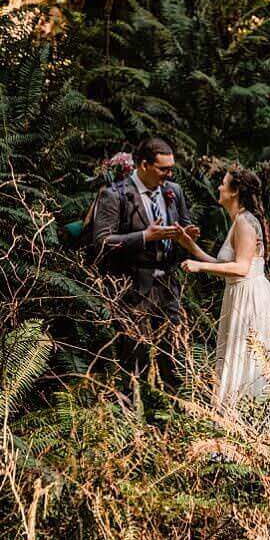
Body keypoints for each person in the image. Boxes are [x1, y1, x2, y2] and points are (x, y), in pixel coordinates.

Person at [170, 165, 270, 442]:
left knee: (249, 363)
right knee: (239, 361)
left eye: (223, 183)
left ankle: (253, 437)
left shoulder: (244, 222)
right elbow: (223, 264)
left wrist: (199, 268)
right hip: (241, 295)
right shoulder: (240, 220)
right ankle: (238, 436)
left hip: (251, 300)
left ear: (236, 191)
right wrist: (190, 246)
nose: (218, 188)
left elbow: (241, 268)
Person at [91, 137, 199, 390]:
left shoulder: (174, 191)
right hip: (133, 288)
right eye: (164, 169)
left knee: (172, 355)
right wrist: (144, 237)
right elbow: (102, 241)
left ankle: (171, 418)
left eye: (171, 169)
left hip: (169, 286)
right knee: (134, 357)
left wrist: (187, 236)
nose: (169, 174)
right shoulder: (115, 195)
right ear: (143, 165)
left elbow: (183, 223)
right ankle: (132, 418)